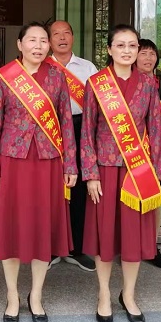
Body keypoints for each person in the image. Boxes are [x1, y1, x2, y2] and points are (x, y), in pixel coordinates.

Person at [0, 22, 77, 322]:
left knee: (41, 229)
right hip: (12, 161)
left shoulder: (57, 77)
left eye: (43, 40)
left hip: (48, 162)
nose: (38, 45)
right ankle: (12, 296)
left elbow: (65, 123)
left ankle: (36, 295)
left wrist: (71, 165)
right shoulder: (4, 77)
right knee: (11, 230)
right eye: (32, 40)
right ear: (19, 45)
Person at [81, 25, 161, 322]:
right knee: (105, 236)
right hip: (104, 170)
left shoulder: (149, 84)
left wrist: (157, 172)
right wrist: (90, 173)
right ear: (109, 50)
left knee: (133, 237)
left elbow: (155, 128)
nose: (127, 51)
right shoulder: (96, 83)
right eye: (121, 45)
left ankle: (128, 294)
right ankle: (104, 294)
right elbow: (87, 130)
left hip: (137, 171)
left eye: (132, 45)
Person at [47, 20, 98, 272]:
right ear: (49, 40)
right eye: (56, 34)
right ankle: (49, 248)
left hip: (80, 128)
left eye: (66, 33)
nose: (62, 38)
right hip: (48, 129)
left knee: (77, 189)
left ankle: (76, 248)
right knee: (49, 189)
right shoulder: (42, 67)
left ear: (73, 37)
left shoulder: (88, 68)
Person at [135, 38, 161, 270]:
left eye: (152, 53)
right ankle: (130, 244)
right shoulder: (125, 82)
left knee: (155, 198)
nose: (148, 58)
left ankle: (151, 246)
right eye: (143, 53)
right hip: (132, 146)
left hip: (158, 148)